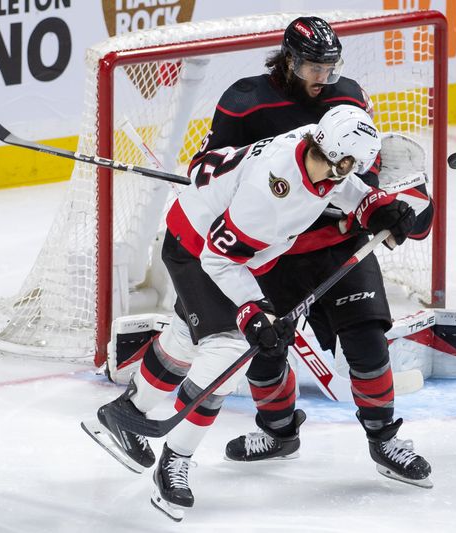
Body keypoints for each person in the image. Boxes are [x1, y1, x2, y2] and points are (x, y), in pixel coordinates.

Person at [89, 105, 415, 521]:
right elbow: (219, 259)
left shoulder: (316, 149)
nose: (340, 173)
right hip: (198, 251)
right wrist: (253, 312)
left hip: (221, 243)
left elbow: (340, 184)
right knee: (226, 352)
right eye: (341, 165)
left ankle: (126, 415)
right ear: (332, 151)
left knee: (188, 337)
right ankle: (176, 458)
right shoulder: (270, 194)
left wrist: (373, 206)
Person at [195, 16, 434, 487]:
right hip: (272, 247)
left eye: (329, 67)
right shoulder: (245, 101)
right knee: (266, 347)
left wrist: (380, 209)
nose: (322, 77)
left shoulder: (348, 96)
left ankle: (385, 439)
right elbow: (205, 167)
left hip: (337, 239)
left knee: (367, 339)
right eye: (311, 67)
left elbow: (363, 166)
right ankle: (279, 433)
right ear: (288, 58)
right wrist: (263, 155)